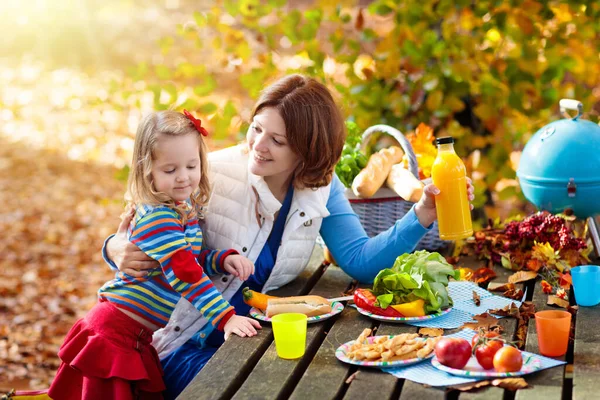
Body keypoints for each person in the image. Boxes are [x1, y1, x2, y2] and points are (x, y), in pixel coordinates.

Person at [104, 75, 475, 398]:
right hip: (189, 339)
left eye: (277, 140)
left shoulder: (321, 188)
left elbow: (362, 260)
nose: (258, 144)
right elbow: (146, 216)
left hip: (257, 335)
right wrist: (113, 247)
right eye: (256, 128)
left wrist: (424, 211)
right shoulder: (207, 173)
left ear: (306, 150)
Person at [49, 110, 260, 400]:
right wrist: (225, 318)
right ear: (147, 170)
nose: (183, 177)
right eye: (170, 170)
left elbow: (185, 258)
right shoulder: (158, 216)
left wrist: (220, 259)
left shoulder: (180, 210)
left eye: (191, 165)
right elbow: (184, 272)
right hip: (114, 333)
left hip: (136, 337)